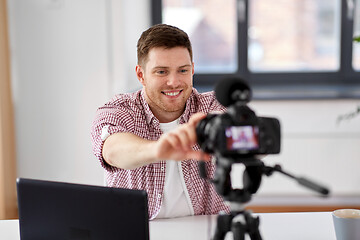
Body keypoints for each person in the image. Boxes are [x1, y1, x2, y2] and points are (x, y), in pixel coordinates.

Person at [91, 24, 229, 220]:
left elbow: (252, 139)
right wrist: (158, 150)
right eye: (161, 72)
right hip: (136, 231)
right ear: (141, 75)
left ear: (192, 70)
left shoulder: (211, 107)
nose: (173, 82)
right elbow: (112, 151)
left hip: (204, 229)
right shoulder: (118, 110)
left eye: (182, 70)